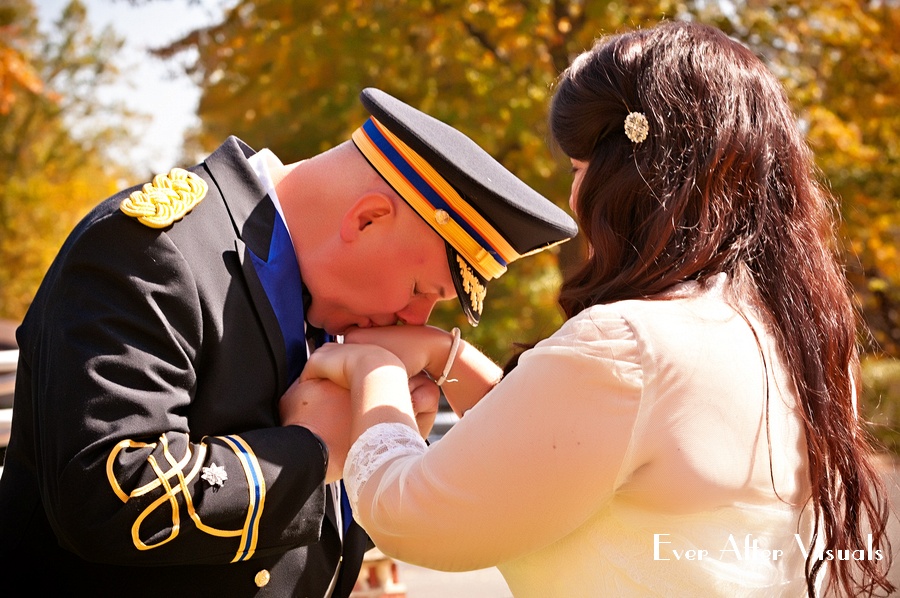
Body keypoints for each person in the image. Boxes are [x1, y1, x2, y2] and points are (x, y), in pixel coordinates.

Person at [294, 22, 895, 597]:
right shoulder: (799, 341)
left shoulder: (630, 345)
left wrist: (372, 372)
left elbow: (412, 514)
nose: (575, 194)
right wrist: (446, 356)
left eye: (580, 168)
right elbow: (572, 449)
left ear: (628, 178)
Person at [0, 87, 577, 597]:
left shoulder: (327, 294)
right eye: (420, 290)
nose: (414, 319)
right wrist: (316, 449)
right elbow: (107, 493)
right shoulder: (152, 248)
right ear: (367, 219)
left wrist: (433, 371)